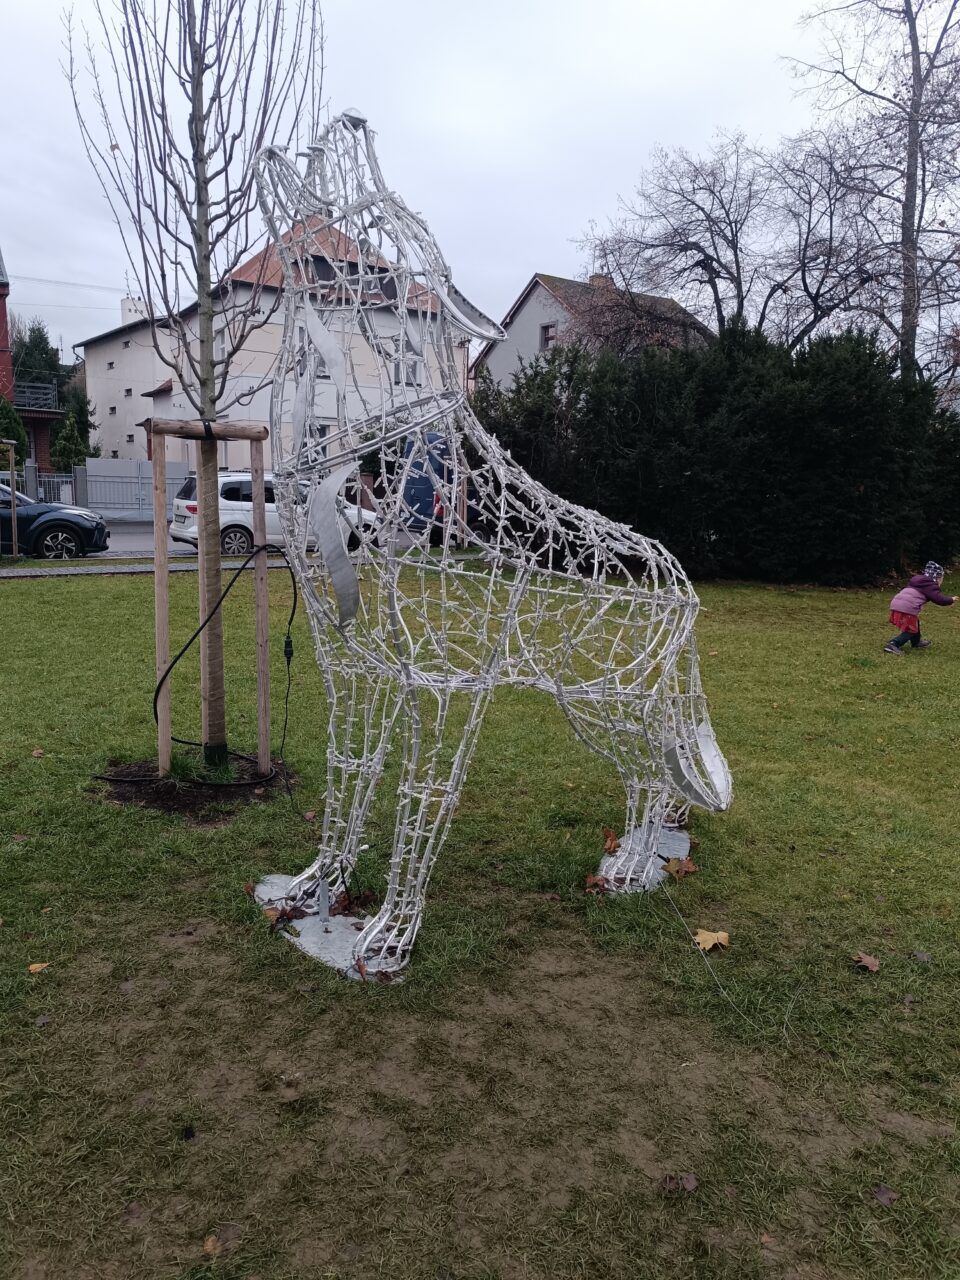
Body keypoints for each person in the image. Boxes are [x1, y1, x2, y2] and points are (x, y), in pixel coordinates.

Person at [884, 561, 958, 655]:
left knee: (915, 623)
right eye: (941, 579)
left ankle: (916, 642)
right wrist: (950, 600)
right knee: (911, 629)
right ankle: (893, 644)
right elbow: (939, 599)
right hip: (907, 607)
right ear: (937, 578)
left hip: (896, 603)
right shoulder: (930, 585)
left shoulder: (917, 581)